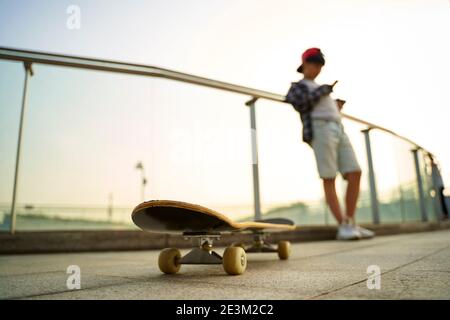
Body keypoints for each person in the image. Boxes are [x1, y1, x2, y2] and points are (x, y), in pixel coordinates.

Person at [285, 48, 374, 240]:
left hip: (338, 127)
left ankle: (350, 222)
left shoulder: (318, 88)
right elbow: (298, 103)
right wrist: (324, 91)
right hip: (320, 130)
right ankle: (343, 225)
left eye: (319, 65)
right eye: (313, 64)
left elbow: (317, 102)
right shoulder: (298, 86)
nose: (316, 68)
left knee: (355, 172)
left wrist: (335, 105)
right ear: (304, 65)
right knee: (329, 176)